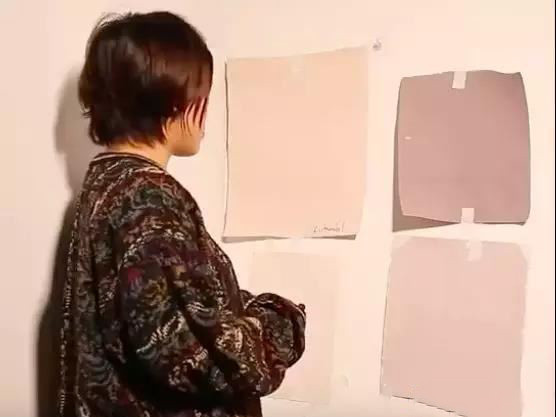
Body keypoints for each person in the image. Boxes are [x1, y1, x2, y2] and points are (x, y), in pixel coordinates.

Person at [57, 11, 306, 417]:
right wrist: (282, 321)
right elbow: (195, 355)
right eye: (200, 93)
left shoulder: (107, 185)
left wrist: (245, 308)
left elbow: (175, 304)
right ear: (171, 98)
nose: (205, 110)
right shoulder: (146, 198)